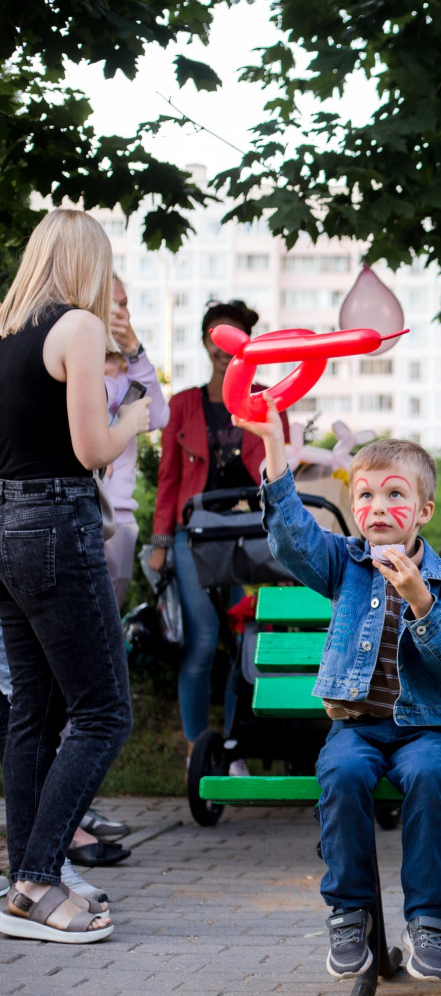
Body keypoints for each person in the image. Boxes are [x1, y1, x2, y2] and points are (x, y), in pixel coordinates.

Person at [242, 408, 441, 982]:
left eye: (394, 494)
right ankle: (348, 913)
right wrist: (276, 446)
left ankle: (427, 920)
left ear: (422, 512)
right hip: (355, 727)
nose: (377, 507)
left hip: (421, 729)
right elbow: (291, 534)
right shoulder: (344, 564)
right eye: (366, 496)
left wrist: (421, 599)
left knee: (430, 776)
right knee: (344, 774)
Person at [0, 209, 151, 942]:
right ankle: (36, 879)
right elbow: (92, 448)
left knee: (35, 707)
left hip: (5, 525)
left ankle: (23, 882)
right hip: (56, 525)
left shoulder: (4, 331)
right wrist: (140, 417)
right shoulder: (78, 329)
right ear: (88, 261)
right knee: (102, 711)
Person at [149, 300, 288, 754]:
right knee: (204, 641)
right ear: (207, 342)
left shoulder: (269, 401)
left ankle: (233, 746)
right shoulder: (185, 405)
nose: (222, 348)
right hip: (198, 536)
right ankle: (196, 751)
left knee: (245, 642)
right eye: (215, 336)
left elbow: (281, 472)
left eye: (232, 337)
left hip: (253, 535)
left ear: (248, 343)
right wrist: (160, 542)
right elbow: (168, 478)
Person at [102, 276, 169, 605]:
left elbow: (158, 417)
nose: (119, 312)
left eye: (124, 303)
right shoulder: (74, 358)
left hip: (121, 518)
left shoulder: (132, 368)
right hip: (81, 511)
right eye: (111, 302)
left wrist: (134, 351)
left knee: (108, 624)